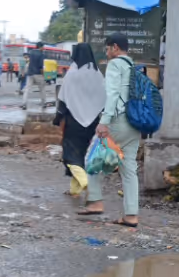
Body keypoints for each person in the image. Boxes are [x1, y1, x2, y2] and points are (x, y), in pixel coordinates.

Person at [94, 32, 142, 228]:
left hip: (119, 121)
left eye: (107, 48)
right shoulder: (134, 67)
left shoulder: (115, 65)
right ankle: (131, 216)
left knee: (95, 161)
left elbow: (112, 94)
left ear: (114, 47)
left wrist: (104, 121)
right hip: (135, 123)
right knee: (129, 170)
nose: (106, 52)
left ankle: (94, 202)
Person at [54, 43, 105, 208]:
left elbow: (63, 99)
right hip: (92, 122)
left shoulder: (73, 73)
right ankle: (74, 191)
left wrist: (57, 118)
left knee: (69, 154)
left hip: (74, 121)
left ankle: (85, 182)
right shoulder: (97, 74)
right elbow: (104, 98)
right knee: (82, 154)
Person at [24, 41, 48, 112]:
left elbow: (26, 58)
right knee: (42, 89)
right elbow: (41, 67)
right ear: (40, 47)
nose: (44, 48)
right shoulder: (41, 54)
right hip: (38, 74)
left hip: (30, 73)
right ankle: (44, 103)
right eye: (43, 47)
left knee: (27, 89)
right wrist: (44, 75)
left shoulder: (31, 52)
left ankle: (24, 104)